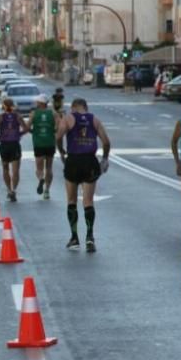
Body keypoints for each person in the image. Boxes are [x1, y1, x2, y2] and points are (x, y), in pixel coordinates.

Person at [56, 98, 111, 252]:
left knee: (72, 200)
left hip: (73, 160)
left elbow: (59, 137)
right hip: (90, 161)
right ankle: (90, 237)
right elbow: (106, 142)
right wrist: (105, 159)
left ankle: (74, 238)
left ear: (73, 107)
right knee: (88, 201)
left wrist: (61, 151)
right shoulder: (95, 120)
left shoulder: (68, 118)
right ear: (86, 107)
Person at [0, 97, 28, 201]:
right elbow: (26, 128)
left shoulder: (0, 117)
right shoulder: (18, 116)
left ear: (3, 106)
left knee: (5, 168)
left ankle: (8, 189)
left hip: (4, 145)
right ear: (12, 105)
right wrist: (19, 134)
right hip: (14, 145)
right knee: (15, 171)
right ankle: (14, 190)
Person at [28, 95, 58, 199]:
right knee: (49, 168)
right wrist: (52, 131)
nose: (36, 103)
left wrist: (33, 132)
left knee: (39, 168)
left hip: (38, 143)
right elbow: (58, 127)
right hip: (50, 143)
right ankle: (47, 191)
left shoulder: (33, 114)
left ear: (40, 103)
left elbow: (27, 127)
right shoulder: (53, 113)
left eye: (37, 102)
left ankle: (41, 178)